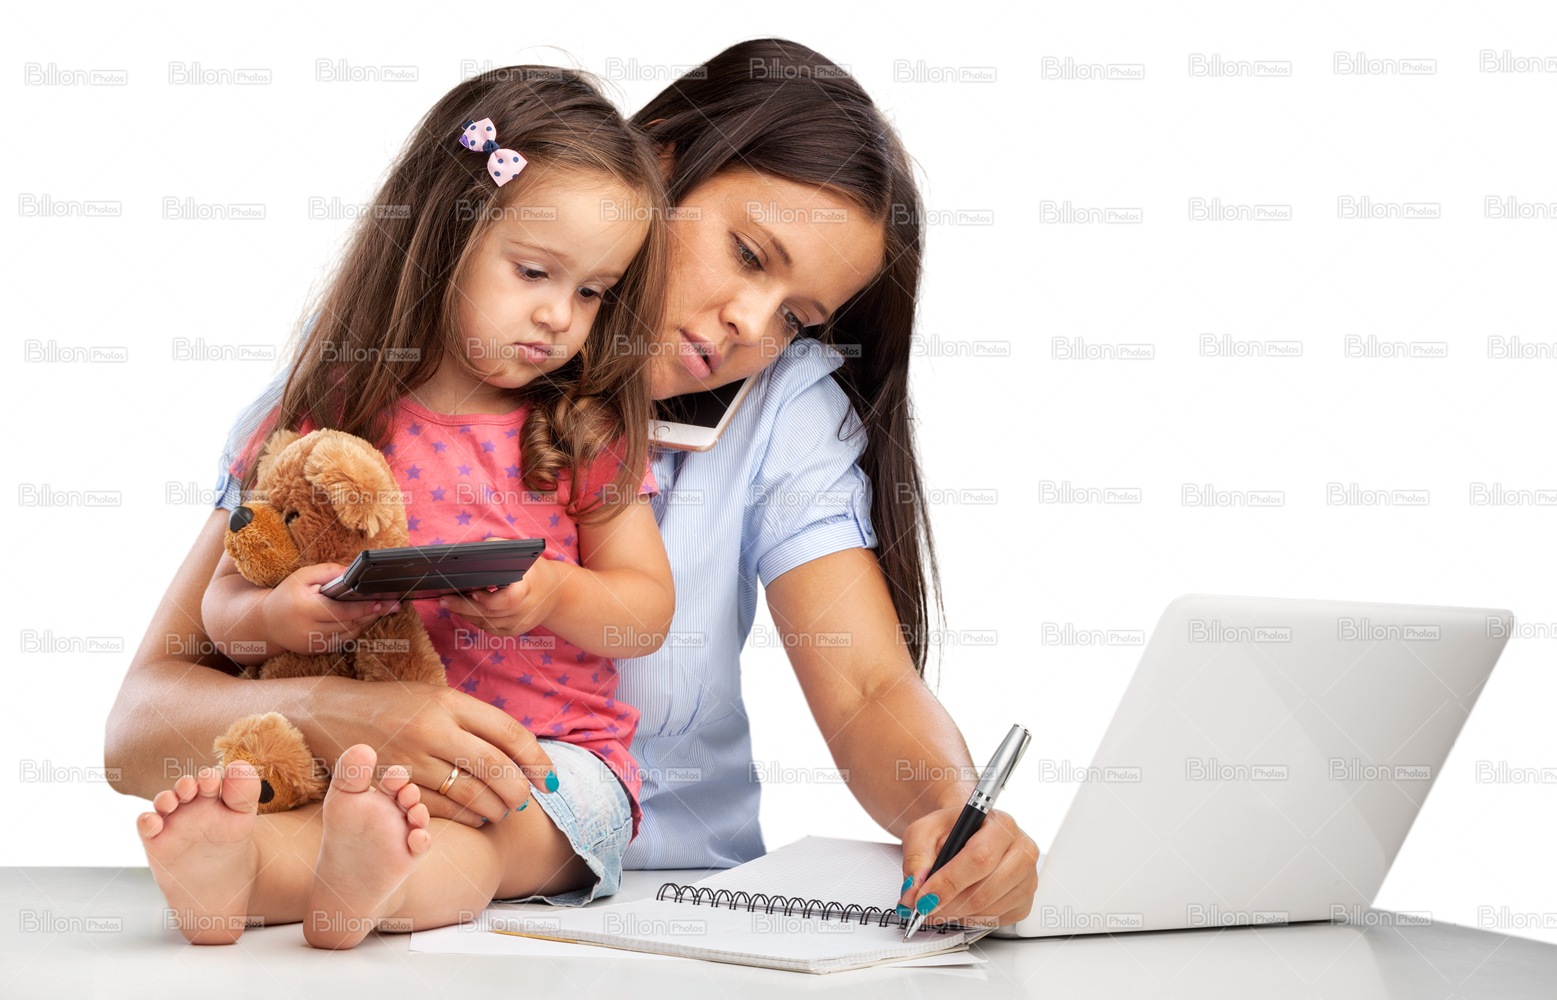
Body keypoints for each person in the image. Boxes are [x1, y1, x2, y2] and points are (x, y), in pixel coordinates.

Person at [104, 36, 1040, 934]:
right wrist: (339, 714)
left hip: (672, 906)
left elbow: (868, 689)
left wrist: (949, 814)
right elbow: (144, 724)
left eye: (795, 316)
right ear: (653, 168)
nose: (748, 324)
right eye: (748, 254)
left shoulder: (775, 409)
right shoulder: (365, 374)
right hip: (378, 891)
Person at [129, 65, 676, 948]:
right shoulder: (321, 419)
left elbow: (643, 612)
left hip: (548, 761)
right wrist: (277, 615)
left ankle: (362, 879)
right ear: (440, 236)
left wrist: (553, 593)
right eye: (533, 271)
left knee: (480, 840)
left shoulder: (583, 430)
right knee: (343, 815)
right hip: (364, 761)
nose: (558, 317)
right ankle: (239, 871)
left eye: (590, 292)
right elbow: (226, 609)